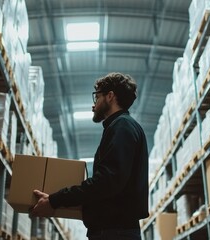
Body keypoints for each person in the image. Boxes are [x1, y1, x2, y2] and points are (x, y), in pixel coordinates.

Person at [30, 72, 149, 239]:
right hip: (114, 231)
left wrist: (54, 200)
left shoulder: (122, 127)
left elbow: (106, 182)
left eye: (97, 97)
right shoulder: (121, 127)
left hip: (113, 233)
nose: (94, 105)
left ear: (110, 96)